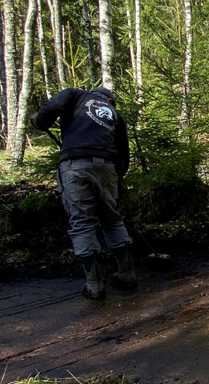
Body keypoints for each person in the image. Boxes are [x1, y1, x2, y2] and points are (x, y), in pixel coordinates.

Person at [31, 87, 135, 300]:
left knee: (83, 222)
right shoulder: (115, 114)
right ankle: (127, 274)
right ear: (108, 100)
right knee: (113, 220)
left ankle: (95, 285)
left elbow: (53, 107)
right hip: (107, 166)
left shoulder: (75, 95)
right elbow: (124, 152)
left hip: (75, 165)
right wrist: (117, 178)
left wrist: (39, 121)